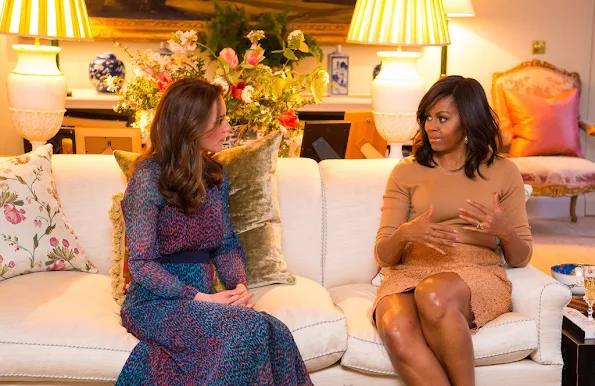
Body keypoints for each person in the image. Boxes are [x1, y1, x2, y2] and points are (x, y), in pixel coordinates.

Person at [116, 78, 312, 386]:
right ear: (190, 125)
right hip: (155, 302)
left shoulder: (215, 175)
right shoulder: (147, 178)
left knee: (277, 332)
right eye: (219, 120)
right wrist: (198, 297)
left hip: (207, 296)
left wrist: (239, 286)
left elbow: (225, 245)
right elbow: (141, 264)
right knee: (249, 329)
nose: (228, 127)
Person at [373, 76, 532, 386]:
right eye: (427, 118)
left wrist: (504, 230)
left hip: (475, 271)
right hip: (411, 269)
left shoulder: (503, 171)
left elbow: (522, 256)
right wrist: (406, 233)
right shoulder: (406, 171)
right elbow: (383, 253)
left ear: (469, 121)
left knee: (433, 293)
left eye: (442, 118)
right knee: (393, 326)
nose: (431, 126)